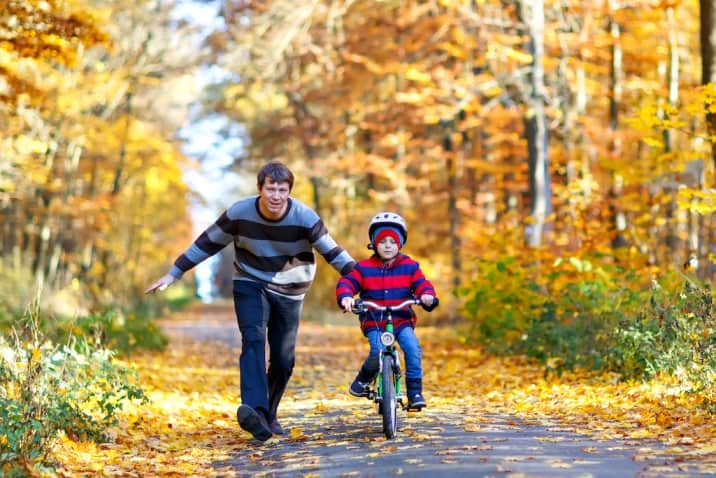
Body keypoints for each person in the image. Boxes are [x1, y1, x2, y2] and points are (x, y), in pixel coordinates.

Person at [145, 161, 355, 442]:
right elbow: (207, 242)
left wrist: (365, 281)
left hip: (291, 288)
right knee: (253, 337)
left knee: (283, 360)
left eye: (282, 189)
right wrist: (174, 273)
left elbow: (334, 253)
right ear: (260, 189)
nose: (276, 195)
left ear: (289, 191)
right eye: (271, 188)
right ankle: (255, 412)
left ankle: (269, 412)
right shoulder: (240, 213)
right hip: (250, 281)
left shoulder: (304, 217)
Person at [336, 212, 437, 410]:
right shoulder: (364, 268)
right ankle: (365, 377)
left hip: (401, 320)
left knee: (412, 349)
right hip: (374, 320)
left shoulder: (410, 266)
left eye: (393, 241)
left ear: (400, 244)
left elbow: (422, 284)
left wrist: (427, 296)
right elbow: (347, 282)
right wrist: (346, 297)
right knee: (377, 350)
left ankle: (415, 392)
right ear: (374, 243)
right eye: (383, 241)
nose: (388, 245)